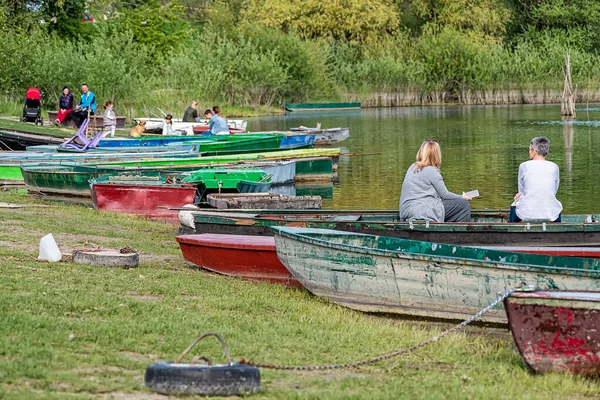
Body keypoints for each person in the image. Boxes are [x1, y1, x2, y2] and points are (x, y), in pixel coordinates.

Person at [399, 139, 472, 222]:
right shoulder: (432, 171)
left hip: (406, 211)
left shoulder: (412, 167)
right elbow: (445, 195)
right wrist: (462, 197)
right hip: (421, 211)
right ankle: (459, 233)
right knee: (463, 204)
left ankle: (445, 229)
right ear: (436, 155)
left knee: (447, 205)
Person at [510, 136, 562, 222]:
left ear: (534, 152)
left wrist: (520, 196)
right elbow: (554, 191)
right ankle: (557, 230)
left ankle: (512, 230)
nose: (529, 151)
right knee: (556, 208)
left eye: (529, 149)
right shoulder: (554, 167)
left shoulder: (523, 166)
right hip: (550, 214)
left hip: (526, 214)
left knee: (514, 205)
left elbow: (521, 191)